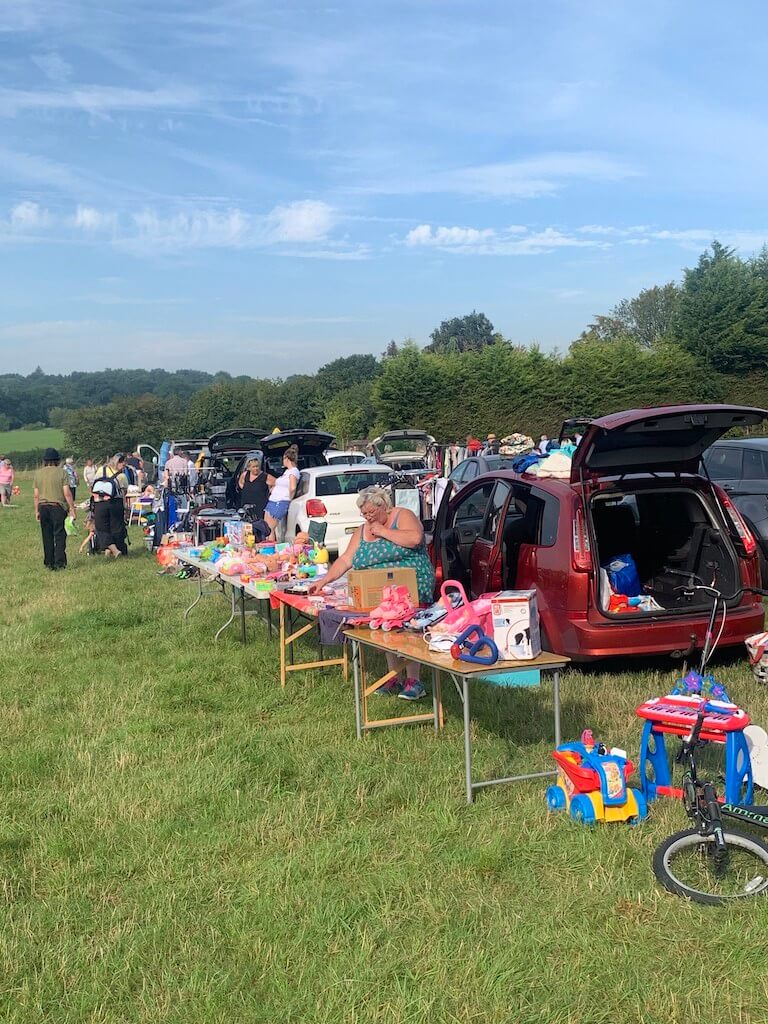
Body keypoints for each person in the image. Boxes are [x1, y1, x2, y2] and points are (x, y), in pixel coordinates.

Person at [308, 486, 435, 701]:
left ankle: (414, 681)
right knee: (383, 628)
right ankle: (393, 676)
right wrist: (324, 580)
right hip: (376, 590)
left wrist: (383, 532)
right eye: (364, 514)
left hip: (409, 587)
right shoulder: (362, 530)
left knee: (408, 632)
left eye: (371, 513)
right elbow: (346, 559)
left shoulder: (402, 515)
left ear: (384, 506)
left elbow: (414, 538)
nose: (367, 518)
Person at [33, 447, 76, 570]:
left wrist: (36, 511)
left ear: (45, 460)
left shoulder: (38, 474)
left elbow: (36, 495)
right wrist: (72, 508)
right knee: (59, 535)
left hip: (43, 506)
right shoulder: (62, 472)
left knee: (46, 535)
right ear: (57, 460)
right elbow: (67, 493)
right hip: (57, 507)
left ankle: (49, 562)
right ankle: (60, 562)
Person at [264, 445, 300, 540]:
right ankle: (267, 548)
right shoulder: (287, 472)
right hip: (273, 501)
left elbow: (292, 487)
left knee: (270, 529)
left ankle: (270, 551)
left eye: (283, 459)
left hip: (280, 502)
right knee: (265, 528)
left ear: (286, 458)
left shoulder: (293, 472)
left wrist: (290, 498)